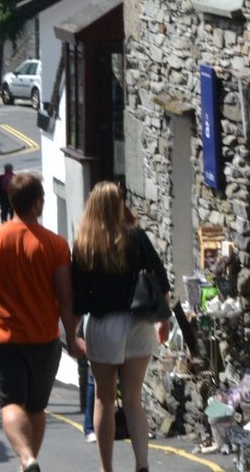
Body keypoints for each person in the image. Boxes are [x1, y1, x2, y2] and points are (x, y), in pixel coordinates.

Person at [0, 172, 83, 472]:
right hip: (44, 338)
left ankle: (27, 458)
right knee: (37, 407)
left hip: (3, 339)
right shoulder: (55, 245)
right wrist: (72, 336)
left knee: (10, 404)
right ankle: (27, 458)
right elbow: (66, 297)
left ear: (12, 202)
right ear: (38, 203)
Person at [73, 181, 170, 472]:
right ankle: (142, 464)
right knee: (133, 399)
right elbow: (160, 279)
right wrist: (163, 320)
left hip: (104, 325)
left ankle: (107, 468)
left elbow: (78, 296)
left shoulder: (84, 244)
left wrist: (69, 332)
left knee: (104, 397)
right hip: (139, 323)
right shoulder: (136, 237)